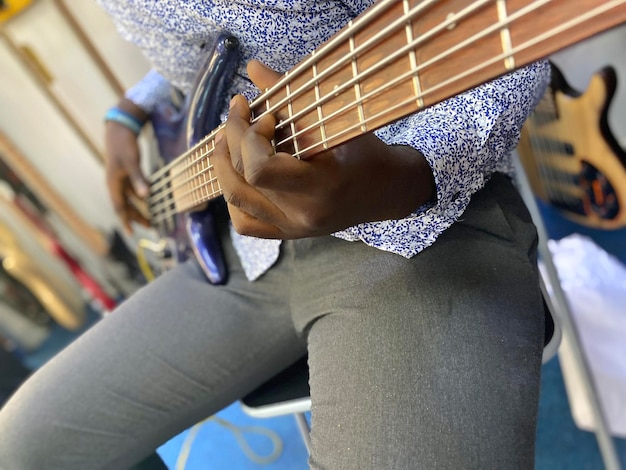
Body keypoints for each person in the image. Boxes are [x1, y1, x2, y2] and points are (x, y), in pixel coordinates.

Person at [0, 1, 551, 469]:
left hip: (417, 221)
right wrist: (128, 109)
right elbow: (204, 31)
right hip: (243, 247)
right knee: (24, 448)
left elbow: (507, 19)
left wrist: (410, 173)